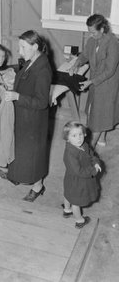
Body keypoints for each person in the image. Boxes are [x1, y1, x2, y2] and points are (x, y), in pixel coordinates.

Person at [4, 30, 52, 202]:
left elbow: (42, 102)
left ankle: (38, 186)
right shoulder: (31, 62)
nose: (20, 51)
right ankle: (17, 174)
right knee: (20, 149)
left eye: (23, 47)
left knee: (33, 154)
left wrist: (17, 96)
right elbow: (23, 80)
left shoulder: (43, 69)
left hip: (33, 120)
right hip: (23, 114)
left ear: (35, 46)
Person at [69, 14, 119, 148]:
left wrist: (90, 82)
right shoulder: (92, 40)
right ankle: (102, 138)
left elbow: (110, 71)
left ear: (102, 29)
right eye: (89, 32)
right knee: (97, 112)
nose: (91, 35)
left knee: (98, 117)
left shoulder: (113, 43)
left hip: (108, 84)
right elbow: (85, 55)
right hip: (96, 82)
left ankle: (88, 149)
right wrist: (76, 64)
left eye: (93, 32)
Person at [62, 121, 101, 229]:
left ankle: (66, 210)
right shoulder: (70, 154)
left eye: (80, 134)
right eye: (74, 135)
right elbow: (79, 171)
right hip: (77, 180)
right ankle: (79, 220)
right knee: (76, 201)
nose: (78, 138)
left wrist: (96, 162)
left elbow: (91, 155)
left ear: (84, 134)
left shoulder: (84, 145)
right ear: (67, 138)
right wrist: (93, 170)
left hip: (74, 179)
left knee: (68, 193)